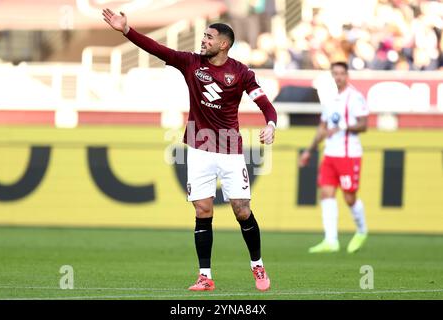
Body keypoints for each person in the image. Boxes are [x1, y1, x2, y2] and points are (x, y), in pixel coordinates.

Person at [102, 9, 277, 291]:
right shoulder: (190, 63)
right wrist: (126, 30)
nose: (203, 40)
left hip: (231, 151)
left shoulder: (241, 72)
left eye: (209, 37)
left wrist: (270, 124)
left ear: (224, 44)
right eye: (204, 36)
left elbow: (265, 103)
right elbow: (157, 49)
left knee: (241, 210)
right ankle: (205, 276)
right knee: (202, 209)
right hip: (198, 148)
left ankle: (257, 265)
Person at [299, 61, 368, 254]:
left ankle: (362, 231)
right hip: (330, 154)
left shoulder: (355, 98)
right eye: (335, 74)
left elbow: (364, 125)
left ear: (347, 75)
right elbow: (322, 128)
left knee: (349, 197)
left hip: (349, 155)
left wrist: (343, 127)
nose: (338, 77)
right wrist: (308, 151)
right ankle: (331, 240)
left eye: (341, 73)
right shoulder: (330, 99)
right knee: (326, 194)